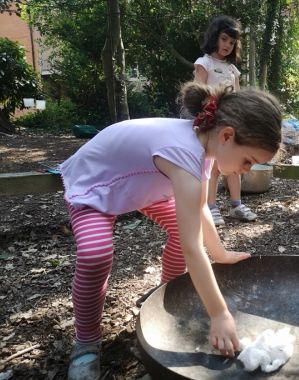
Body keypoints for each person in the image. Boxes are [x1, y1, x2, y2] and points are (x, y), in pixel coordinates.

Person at [62, 81, 282, 379]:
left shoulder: (206, 146)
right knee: (95, 254)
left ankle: (162, 298)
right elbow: (193, 248)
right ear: (227, 135)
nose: (245, 170)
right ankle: (86, 341)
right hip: (97, 185)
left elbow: (200, 207)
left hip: (143, 185)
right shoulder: (183, 151)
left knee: (182, 230)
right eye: (248, 161)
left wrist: (219, 253)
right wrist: (219, 314)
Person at [194, 15, 257, 226]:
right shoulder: (204, 63)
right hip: (212, 123)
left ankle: (236, 205)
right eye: (224, 39)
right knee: (213, 166)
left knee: (235, 162)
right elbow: (197, 93)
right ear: (214, 37)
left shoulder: (232, 69)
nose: (227, 45)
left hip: (231, 122)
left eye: (232, 42)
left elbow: (237, 95)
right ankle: (210, 207)